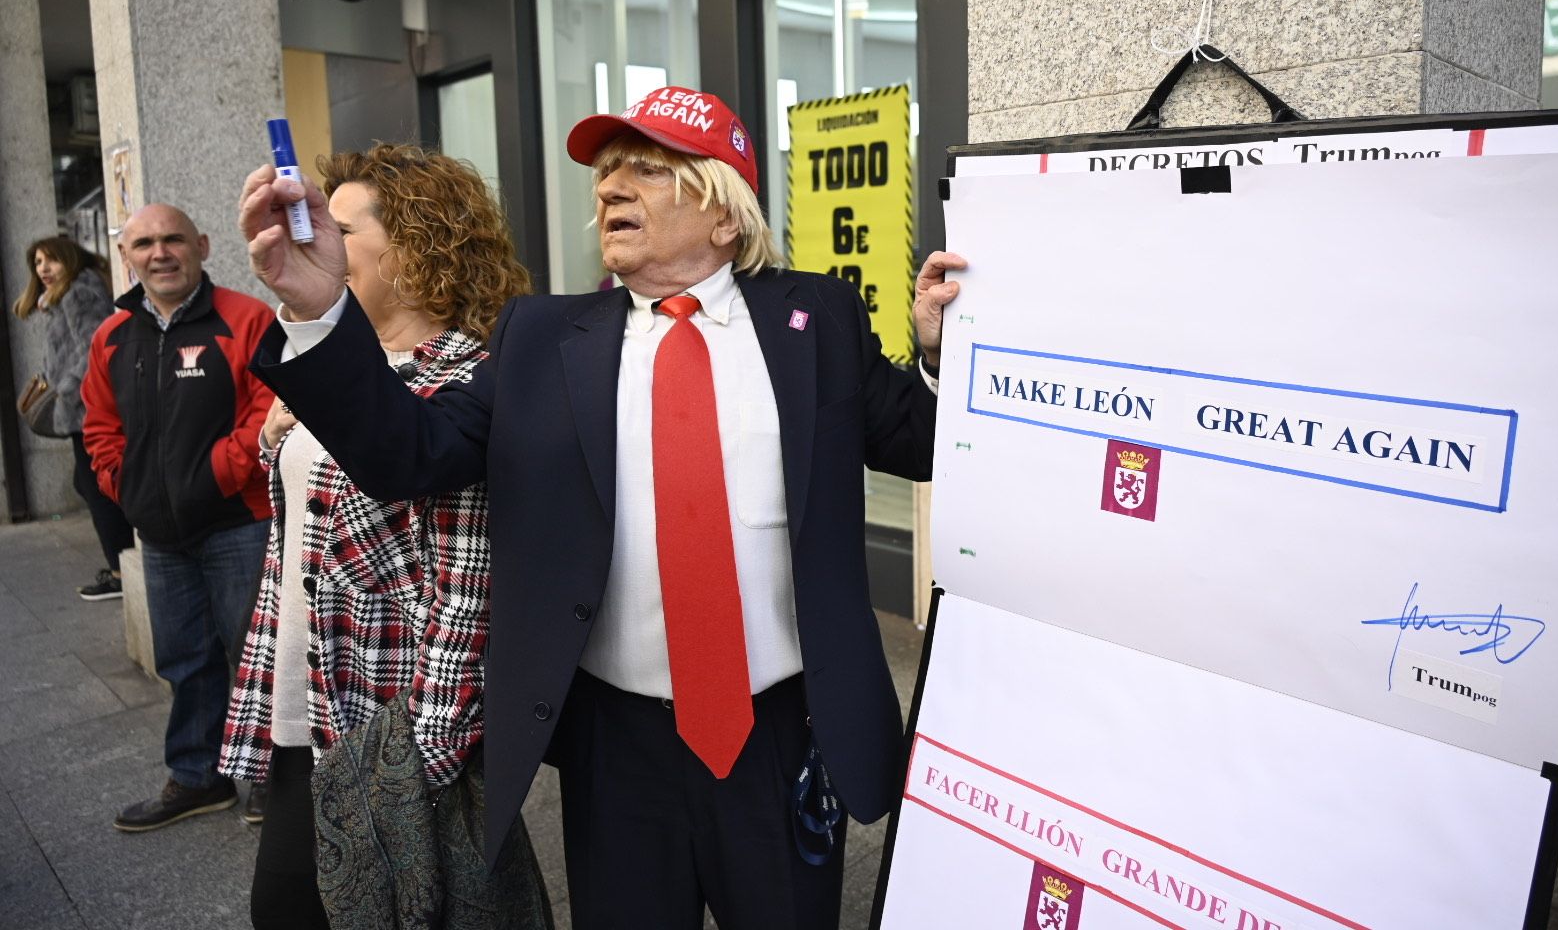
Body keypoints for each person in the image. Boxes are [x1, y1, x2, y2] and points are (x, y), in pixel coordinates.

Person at [239, 86, 965, 929]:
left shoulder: (819, 318)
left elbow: (915, 442)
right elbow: (410, 455)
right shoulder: (541, 339)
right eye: (607, 171)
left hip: (782, 735)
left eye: (647, 170)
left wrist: (939, 355)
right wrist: (321, 310)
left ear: (724, 215)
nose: (611, 187)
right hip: (616, 754)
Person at [219, 145, 534, 928]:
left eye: (337, 225)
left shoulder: (469, 380)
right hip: (301, 706)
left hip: (385, 731)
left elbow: (467, 588)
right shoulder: (328, 367)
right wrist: (280, 438)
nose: (312, 238)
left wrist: (419, 761)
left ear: (419, 246)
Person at [81, 203, 276, 831]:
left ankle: (274, 781)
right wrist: (127, 489)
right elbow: (100, 429)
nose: (159, 253)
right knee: (183, 658)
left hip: (238, 523)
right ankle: (199, 777)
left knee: (254, 653)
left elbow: (269, 413)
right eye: (144, 244)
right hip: (159, 534)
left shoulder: (246, 319)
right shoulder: (110, 336)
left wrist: (217, 473)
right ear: (128, 257)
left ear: (202, 245)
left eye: (172, 240)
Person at [12, 237, 134, 598]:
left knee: (97, 487)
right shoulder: (65, 295)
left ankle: (120, 571)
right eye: (37, 263)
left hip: (86, 408)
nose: (44, 269)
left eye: (51, 261)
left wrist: (66, 387)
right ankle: (123, 560)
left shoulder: (80, 292)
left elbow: (93, 345)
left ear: (70, 260)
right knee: (91, 484)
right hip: (81, 408)